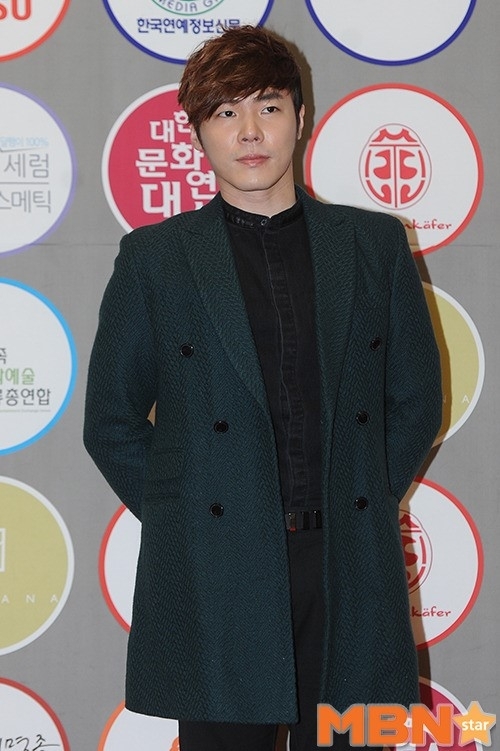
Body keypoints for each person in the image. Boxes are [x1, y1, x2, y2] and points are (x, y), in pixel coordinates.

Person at [84, 25, 442, 751]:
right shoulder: (157, 260)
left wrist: (360, 495)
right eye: (226, 112)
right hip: (219, 573)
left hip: (346, 564)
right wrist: (193, 516)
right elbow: (111, 421)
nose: (249, 131)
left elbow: (415, 400)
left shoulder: (371, 245)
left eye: (269, 106)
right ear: (198, 133)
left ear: (300, 118)